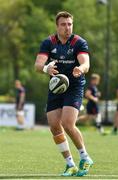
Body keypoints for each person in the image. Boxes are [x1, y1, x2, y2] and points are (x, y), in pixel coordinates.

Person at [35, 11, 93, 176]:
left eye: (69, 24)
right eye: (63, 24)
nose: (67, 28)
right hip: (57, 86)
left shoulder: (78, 42)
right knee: (54, 125)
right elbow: (38, 65)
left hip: (74, 85)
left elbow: (86, 63)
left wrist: (80, 69)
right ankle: (70, 164)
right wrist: (46, 68)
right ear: (57, 26)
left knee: (67, 123)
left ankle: (85, 156)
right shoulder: (49, 42)